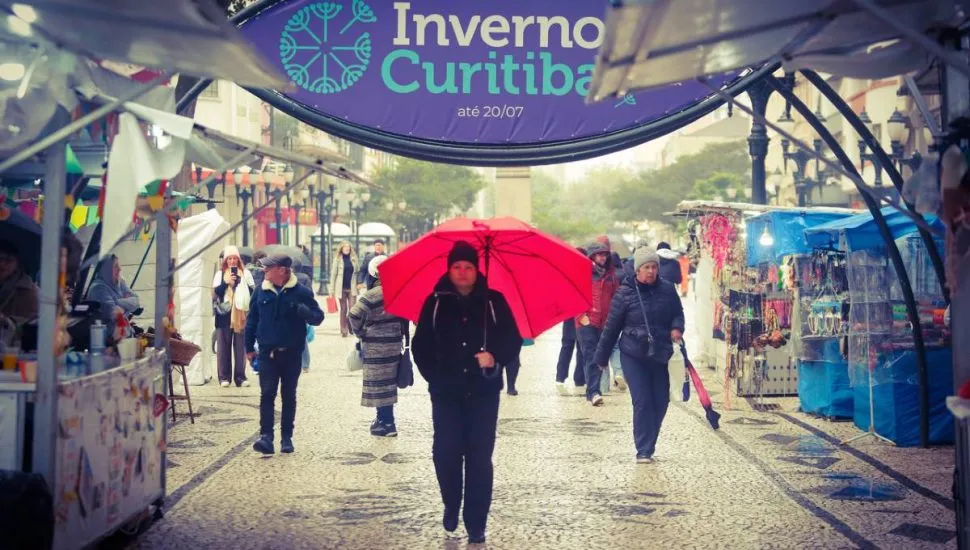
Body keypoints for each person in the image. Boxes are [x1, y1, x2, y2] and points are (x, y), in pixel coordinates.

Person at [412, 241, 522, 545]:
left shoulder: (494, 302)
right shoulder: (433, 303)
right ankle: (451, 502)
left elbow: (513, 340)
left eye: (469, 267)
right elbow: (420, 347)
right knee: (445, 453)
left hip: (483, 392)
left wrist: (494, 357)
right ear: (449, 270)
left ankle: (476, 523)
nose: (463, 272)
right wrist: (435, 376)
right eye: (457, 267)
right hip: (446, 393)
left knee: (478, 458)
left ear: (477, 270)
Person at [594, 248, 684, 463]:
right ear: (638, 270)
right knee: (642, 400)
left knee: (661, 400)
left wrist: (676, 328)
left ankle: (649, 440)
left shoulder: (667, 289)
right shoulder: (625, 293)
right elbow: (611, 328)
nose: (651, 271)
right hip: (633, 354)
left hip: (660, 352)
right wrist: (601, 358)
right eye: (646, 267)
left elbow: (677, 313)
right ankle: (644, 449)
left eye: (654, 267)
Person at [246, 253, 324, 455]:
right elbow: (251, 321)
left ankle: (286, 437)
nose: (264, 271)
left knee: (288, 395)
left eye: (268, 268)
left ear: (282, 270)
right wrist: (248, 348)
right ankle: (266, 437)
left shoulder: (302, 292)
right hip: (266, 353)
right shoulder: (260, 292)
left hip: (292, 353)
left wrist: (306, 312)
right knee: (267, 394)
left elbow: (318, 317)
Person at [348, 254, 407, 437]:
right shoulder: (398, 293)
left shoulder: (372, 294)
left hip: (374, 346)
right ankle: (383, 421)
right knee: (388, 383)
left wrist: (361, 332)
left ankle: (387, 423)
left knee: (379, 384)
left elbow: (354, 315)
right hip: (394, 344)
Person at [576, 238, 620, 407]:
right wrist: (581, 316)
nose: (603, 258)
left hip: (604, 323)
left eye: (605, 255)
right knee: (590, 356)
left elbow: (616, 297)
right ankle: (595, 392)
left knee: (599, 356)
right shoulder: (584, 273)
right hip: (586, 322)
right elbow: (575, 296)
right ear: (592, 256)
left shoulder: (610, 275)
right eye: (599, 255)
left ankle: (591, 392)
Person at [212, 246, 255, 388]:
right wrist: (226, 283)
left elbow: (252, 292)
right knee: (223, 347)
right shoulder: (220, 274)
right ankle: (224, 377)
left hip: (240, 313)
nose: (232, 261)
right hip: (224, 313)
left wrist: (241, 283)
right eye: (229, 258)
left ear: (238, 260)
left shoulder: (246, 273)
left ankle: (240, 377)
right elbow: (215, 293)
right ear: (225, 261)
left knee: (240, 347)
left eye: (234, 258)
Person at [86, 254, 140, 330]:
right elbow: (113, 314)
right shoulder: (98, 288)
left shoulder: (120, 283)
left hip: (124, 333)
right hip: (108, 336)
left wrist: (117, 302)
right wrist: (127, 305)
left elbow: (136, 301)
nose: (120, 268)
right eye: (115, 266)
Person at [0, 240, 38, 323]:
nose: (2, 264)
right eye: (0, 259)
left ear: (17, 264)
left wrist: (6, 320)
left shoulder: (28, 290)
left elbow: (31, 322)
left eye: (8, 260)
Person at [329, 241, 359, 338]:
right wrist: (331, 291)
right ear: (341, 249)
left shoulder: (354, 259)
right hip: (341, 288)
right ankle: (344, 329)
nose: (347, 249)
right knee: (343, 309)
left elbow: (357, 271)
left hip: (352, 288)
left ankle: (350, 325)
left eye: (348, 248)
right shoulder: (337, 259)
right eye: (345, 248)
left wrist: (359, 283)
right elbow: (333, 275)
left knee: (353, 310)